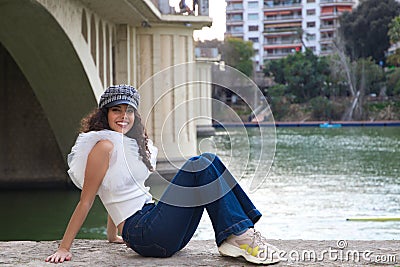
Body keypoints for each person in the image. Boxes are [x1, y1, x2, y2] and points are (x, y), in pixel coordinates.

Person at [45, 84, 280, 265]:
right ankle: (239, 235)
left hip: (157, 228)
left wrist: (112, 235)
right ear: (104, 114)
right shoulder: (102, 147)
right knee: (199, 163)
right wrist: (64, 248)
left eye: (129, 111)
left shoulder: (128, 145)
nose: (123, 116)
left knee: (210, 160)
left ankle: (240, 233)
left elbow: (115, 188)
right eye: (116, 110)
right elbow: (87, 200)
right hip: (145, 233)